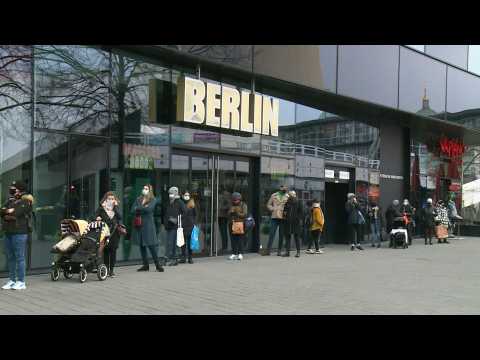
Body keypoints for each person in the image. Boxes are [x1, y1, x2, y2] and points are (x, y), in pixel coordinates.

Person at [1, 181, 34, 290]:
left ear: (20, 189)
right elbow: (1, 212)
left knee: (19, 257)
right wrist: (7, 212)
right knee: (10, 257)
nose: (11, 188)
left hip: (19, 232)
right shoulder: (11, 200)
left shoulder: (26, 200)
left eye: (13, 187)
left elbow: (16, 213)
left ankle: (21, 281)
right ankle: (11, 280)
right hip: (8, 232)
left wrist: (9, 212)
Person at [131, 184, 164, 272]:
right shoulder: (138, 199)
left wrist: (138, 208)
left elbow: (149, 209)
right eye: (144, 188)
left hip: (148, 226)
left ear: (150, 190)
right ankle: (145, 265)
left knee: (151, 245)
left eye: (146, 188)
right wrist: (142, 208)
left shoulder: (153, 199)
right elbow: (132, 210)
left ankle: (157, 265)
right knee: (142, 245)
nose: (144, 189)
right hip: (139, 225)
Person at [95, 192, 122, 277]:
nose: (111, 200)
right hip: (104, 232)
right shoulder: (101, 208)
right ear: (105, 199)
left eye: (112, 199)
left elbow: (120, 217)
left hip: (114, 232)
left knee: (113, 251)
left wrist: (115, 207)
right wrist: (97, 218)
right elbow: (94, 216)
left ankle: (112, 270)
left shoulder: (115, 208)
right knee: (106, 251)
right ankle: (106, 269)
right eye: (109, 199)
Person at [264, 185, 289, 256]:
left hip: (282, 217)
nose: (285, 189)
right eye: (283, 188)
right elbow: (268, 204)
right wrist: (273, 209)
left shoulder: (287, 196)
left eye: (285, 188)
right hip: (274, 216)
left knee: (281, 235)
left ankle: (279, 251)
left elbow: (289, 206)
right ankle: (268, 250)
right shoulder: (274, 195)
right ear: (280, 188)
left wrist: (286, 212)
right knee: (272, 233)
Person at [164, 186, 186, 266]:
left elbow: (185, 212)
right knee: (169, 243)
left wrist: (177, 219)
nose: (170, 195)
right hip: (169, 225)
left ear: (175, 193)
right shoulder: (169, 202)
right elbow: (166, 213)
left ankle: (173, 258)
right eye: (169, 193)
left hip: (175, 225)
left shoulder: (179, 202)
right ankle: (170, 258)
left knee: (173, 243)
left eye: (171, 193)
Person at [281, 191, 303, 257]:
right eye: (289, 195)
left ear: (294, 195)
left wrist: (298, 219)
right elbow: (284, 211)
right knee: (287, 238)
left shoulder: (299, 202)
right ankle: (287, 252)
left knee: (296, 238)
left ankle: (298, 252)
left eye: (290, 194)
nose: (289, 196)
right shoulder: (287, 202)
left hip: (296, 223)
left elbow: (301, 212)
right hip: (288, 222)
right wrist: (284, 217)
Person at [228, 192, 248, 261]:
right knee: (233, 239)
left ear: (239, 199)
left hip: (240, 223)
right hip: (232, 223)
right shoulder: (231, 205)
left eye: (236, 200)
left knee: (240, 239)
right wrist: (230, 212)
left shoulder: (243, 205)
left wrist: (237, 213)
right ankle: (234, 253)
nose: (235, 201)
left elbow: (245, 214)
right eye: (234, 200)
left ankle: (240, 253)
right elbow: (228, 213)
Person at [179, 191, 196, 264]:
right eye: (185, 195)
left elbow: (195, 214)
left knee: (190, 242)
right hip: (182, 225)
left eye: (188, 195)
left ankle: (190, 257)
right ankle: (183, 257)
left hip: (190, 225)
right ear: (182, 196)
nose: (187, 196)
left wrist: (193, 222)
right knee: (182, 242)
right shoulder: (180, 203)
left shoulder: (192, 204)